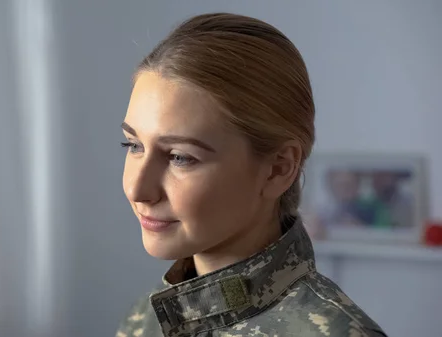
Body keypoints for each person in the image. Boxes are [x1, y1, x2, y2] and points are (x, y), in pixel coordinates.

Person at [116, 12, 387, 337]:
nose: (136, 189)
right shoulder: (143, 322)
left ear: (278, 168)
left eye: (180, 157)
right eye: (133, 145)